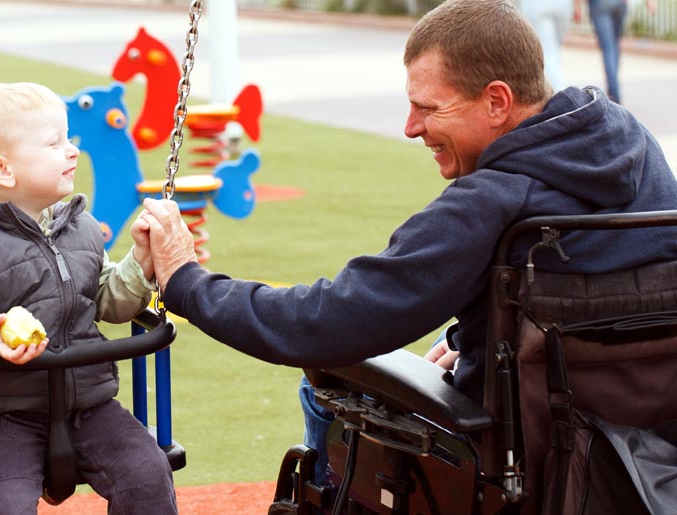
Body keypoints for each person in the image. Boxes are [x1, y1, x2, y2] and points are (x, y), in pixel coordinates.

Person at [143, 0, 677, 484]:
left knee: (325, 385)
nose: (409, 127)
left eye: (429, 107)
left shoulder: (488, 204)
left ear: (496, 102)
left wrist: (187, 280)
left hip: (515, 456)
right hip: (644, 440)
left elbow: (326, 322)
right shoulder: (632, 146)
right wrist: (483, 339)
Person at [0, 82, 176, 515]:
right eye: (55, 143)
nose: (72, 150)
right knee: (6, 504)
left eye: (68, 138)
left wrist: (140, 261)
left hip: (87, 403)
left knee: (147, 474)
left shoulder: (83, 228)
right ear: (3, 169)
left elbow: (110, 302)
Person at [575, 0, 657, 104]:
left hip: (600, 4)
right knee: (614, 45)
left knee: (608, 48)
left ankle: (614, 94)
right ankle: (613, 89)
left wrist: (577, 7)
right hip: (620, 3)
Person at [518, 0, 579, 92]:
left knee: (547, 54)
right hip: (563, 5)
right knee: (553, 52)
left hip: (538, 5)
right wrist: (578, 5)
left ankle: (558, 97)